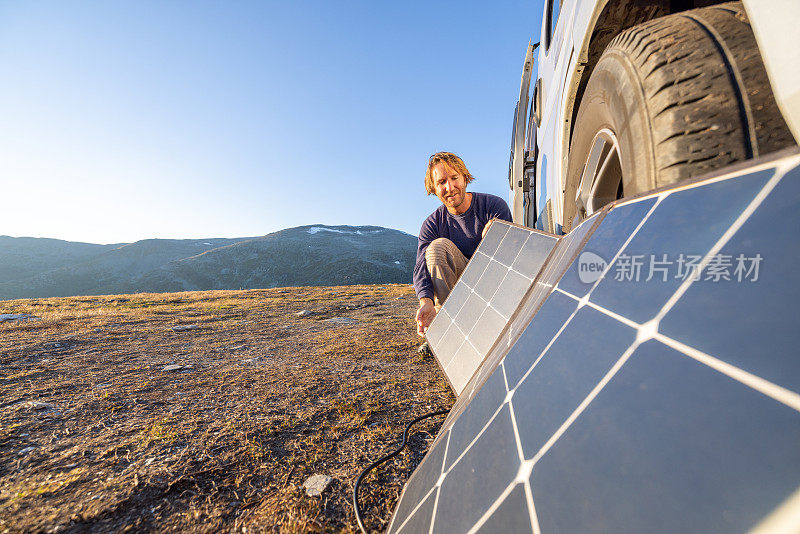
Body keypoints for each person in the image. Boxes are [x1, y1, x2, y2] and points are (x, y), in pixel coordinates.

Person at [413, 152, 512, 340]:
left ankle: (493, 324)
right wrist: (425, 302)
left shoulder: (493, 206)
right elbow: (421, 268)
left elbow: (513, 255)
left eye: (454, 178)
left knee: (497, 233)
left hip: (492, 284)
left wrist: (497, 236)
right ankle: (448, 330)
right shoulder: (432, 224)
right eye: (441, 182)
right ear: (433, 188)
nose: (449, 187)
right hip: (456, 291)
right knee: (436, 249)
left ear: (465, 178)